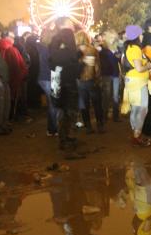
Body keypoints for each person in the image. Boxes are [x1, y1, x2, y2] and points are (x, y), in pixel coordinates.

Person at [48, 18, 83, 156]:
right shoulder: (67, 35)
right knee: (70, 111)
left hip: (56, 78)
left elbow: (57, 58)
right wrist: (80, 63)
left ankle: (64, 140)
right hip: (67, 79)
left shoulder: (54, 39)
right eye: (70, 22)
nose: (73, 24)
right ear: (65, 24)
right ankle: (67, 144)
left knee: (62, 110)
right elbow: (69, 59)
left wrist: (78, 54)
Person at [121, 25, 151, 147]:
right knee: (143, 108)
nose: (142, 36)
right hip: (138, 81)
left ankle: (136, 133)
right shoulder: (135, 48)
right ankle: (137, 135)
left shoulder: (127, 48)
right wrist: (149, 66)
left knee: (135, 109)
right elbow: (139, 68)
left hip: (131, 80)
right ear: (136, 36)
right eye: (140, 34)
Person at [75, 31, 105, 134]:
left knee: (84, 104)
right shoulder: (92, 50)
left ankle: (88, 126)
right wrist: (98, 78)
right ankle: (100, 125)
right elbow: (97, 66)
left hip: (80, 81)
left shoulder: (75, 51)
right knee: (97, 103)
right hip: (92, 80)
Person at [0, 35, 27, 121]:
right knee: (13, 98)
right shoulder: (13, 50)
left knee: (0, 101)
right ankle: (11, 117)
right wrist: (21, 75)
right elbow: (19, 65)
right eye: (12, 37)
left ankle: (2, 120)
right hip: (14, 77)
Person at [36, 29, 58, 136]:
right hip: (48, 77)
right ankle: (53, 129)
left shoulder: (40, 48)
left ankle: (51, 128)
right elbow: (52, 65)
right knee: (53, 104)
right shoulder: (45, 50)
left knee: (52, 103)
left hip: (44, 77)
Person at [99, 31, 122, 123]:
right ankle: (104, 115)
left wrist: (118, 57)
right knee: (106, 96)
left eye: (114, 37)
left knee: (116, 96)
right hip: (106, 75)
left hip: (115, 74)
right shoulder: (103, 49)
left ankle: (115, 116)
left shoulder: (116, 48)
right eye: (111, 37)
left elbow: (119, 61)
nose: (113, 39)